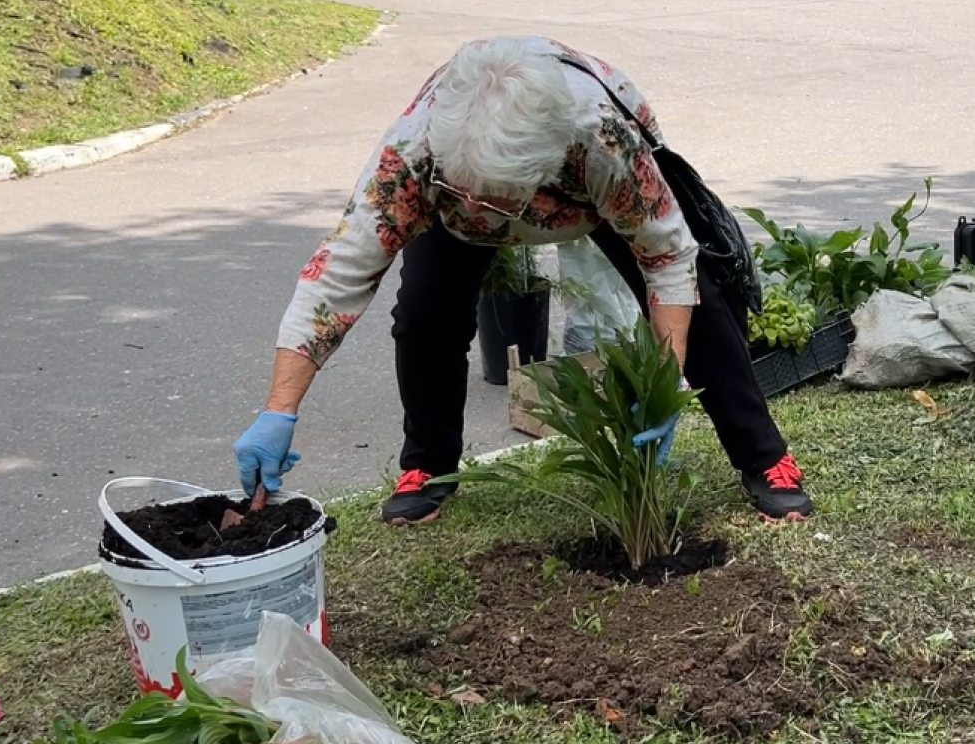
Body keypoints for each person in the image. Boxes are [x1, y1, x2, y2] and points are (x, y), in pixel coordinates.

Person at [231, 35, 815, 526]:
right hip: (463, 184)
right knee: (425, 313)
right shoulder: (412, 156)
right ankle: (428, 466)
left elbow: (666, 257)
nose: (485, 210)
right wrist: (279, 409)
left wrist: (664, 383)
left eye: (495, 198)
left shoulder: (601, 139)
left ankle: (763, 455)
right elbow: (336, 275)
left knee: (702, 301)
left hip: (584, 188)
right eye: (468, 194)